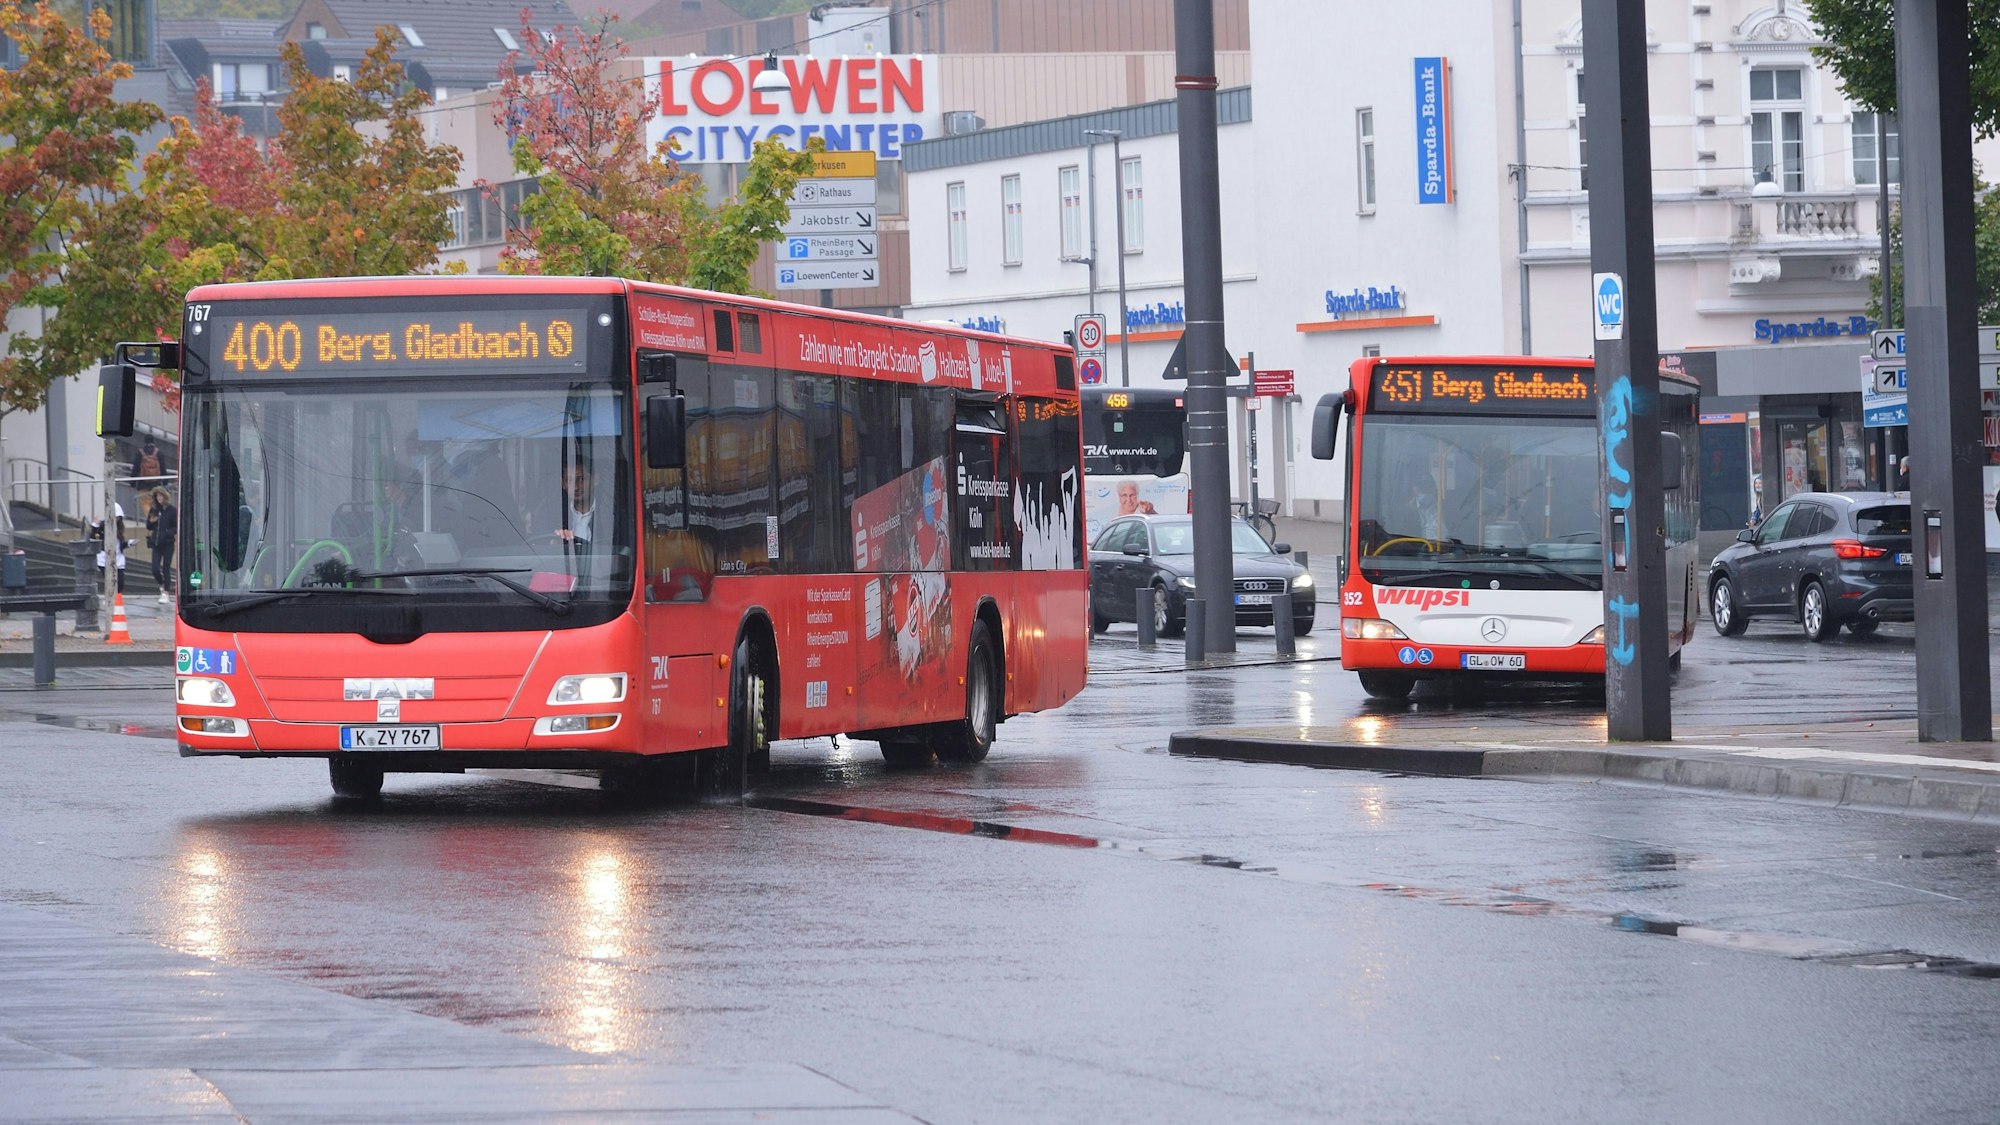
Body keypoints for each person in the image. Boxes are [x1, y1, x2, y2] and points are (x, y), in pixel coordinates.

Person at [146, 488, 176, 604]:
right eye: (157, 496)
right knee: (155, 568)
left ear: (165, 496)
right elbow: (148, 526)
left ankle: (166, 593)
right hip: (156, 543)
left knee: (166, 568)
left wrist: (168, 533)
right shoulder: (154, 509)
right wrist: (151, 521)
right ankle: (162, 584)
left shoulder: (172, 510)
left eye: (161, 496)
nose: (159, 498)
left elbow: (175, 526)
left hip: (168, 543)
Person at [92, 501, 127, 595]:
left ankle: (116, 598)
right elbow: (94, 537)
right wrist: (95, 526)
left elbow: (121, 543)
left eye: (118, 517)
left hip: (118, 558)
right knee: (110, 580)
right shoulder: (103, 525)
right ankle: (111, 597)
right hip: (105, 557)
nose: (116, 519)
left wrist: (129, 544)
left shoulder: (120, 527)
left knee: (120, 582)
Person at [557, 460, 595, 546]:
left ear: (594, 480)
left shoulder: (610, 515)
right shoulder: (551, 516)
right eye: (569, 480)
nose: (575, 487)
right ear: (563, 483)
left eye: (581, 479)